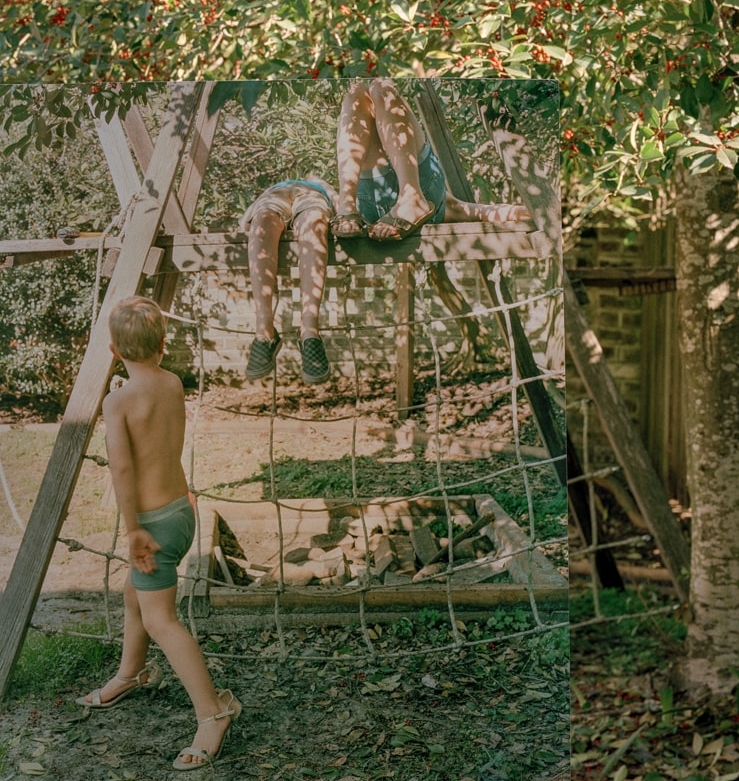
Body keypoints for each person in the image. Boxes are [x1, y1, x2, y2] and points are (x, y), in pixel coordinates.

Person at [76, 296, 241, 772]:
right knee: (137, 596)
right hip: (181, 510)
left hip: (150, 526)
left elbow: (123, 468)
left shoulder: (118, 400)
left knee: (161, 620)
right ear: (164, 345)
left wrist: (132, 531)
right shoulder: (172, 383)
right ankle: (133, 672)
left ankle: (214, 712)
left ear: (112, 349)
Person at [332, 78, 532, 241]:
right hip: (403, 193)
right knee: (376, 88)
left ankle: (348, 203)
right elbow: (484, 212)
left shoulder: (445, 206)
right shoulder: (443, 206)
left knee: (360, 91)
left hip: (367, 205)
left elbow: (484, 212)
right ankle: (408, 195)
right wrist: (532, 212)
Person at [240, 176, 336, 384]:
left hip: (312, 196)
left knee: (314, 221)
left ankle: (310, 333)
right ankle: (264, 331)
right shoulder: (275, 187)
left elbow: (337, 200)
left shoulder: (319, 185)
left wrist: (342, 212)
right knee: (263, 219)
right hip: (275, 196)